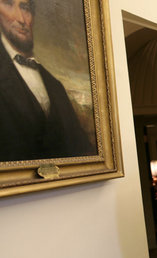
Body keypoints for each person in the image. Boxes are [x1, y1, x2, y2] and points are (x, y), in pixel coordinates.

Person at [0, 0, 96, 161]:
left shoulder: (55, 85)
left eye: (25, 8)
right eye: (9, 4)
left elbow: (81, 149)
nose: (21, 19)